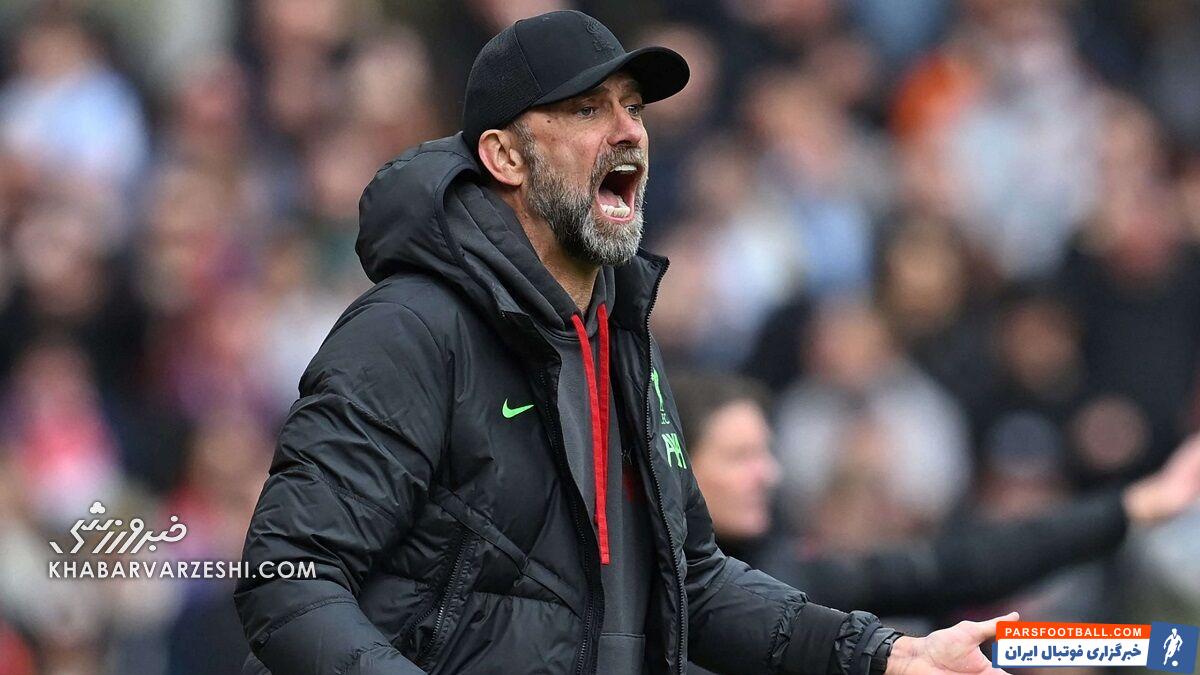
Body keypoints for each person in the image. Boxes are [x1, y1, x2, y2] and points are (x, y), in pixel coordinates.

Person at [235, 11, 1014, 674]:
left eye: (634, 107)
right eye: (587, 109)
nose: (629, 131)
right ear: (505, 156)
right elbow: (288, 577)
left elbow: (695, 585)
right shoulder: (410, 330)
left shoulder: (622, 341)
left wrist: (884, 655)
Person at [671, 371, 1200, 618]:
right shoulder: (644, 605)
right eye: (740, 457)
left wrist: (1136, 506)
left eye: (766, 452)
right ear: (677, 465)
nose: (770, 473)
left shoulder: (785, 579)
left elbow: (955, 567)